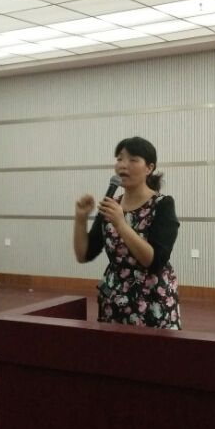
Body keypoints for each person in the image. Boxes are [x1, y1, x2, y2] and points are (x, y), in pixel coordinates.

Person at [73, 136, 181, 329]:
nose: (123, 165)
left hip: (152, 302)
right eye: (120, 159)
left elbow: (154, 261)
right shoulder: (111, 206)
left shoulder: (162, 204)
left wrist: (121, 224)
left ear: (149, 168)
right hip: (114, 300)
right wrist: (81, 218)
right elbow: (83, 254)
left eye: (133, 160)